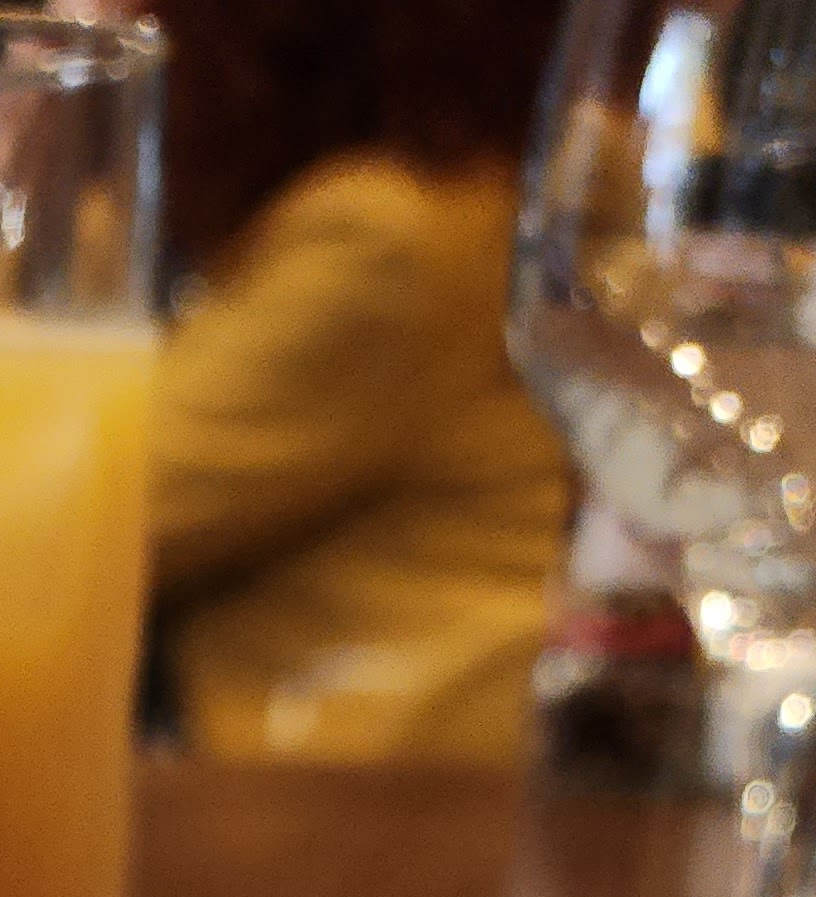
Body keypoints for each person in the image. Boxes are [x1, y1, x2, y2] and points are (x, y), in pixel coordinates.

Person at [147, 0, 573, 769]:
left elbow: (59, 523)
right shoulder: (460, 191)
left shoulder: (386, 237)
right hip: (366, 768)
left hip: (356, 780)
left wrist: (19, 177)